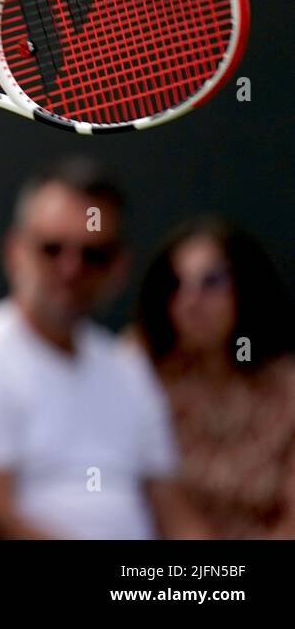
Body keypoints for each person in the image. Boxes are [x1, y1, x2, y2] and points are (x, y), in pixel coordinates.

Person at [0, 157, 203, 539]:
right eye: (52, 249)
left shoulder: (126, 366)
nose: (71, 270)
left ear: (119, 266)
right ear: (14, 252)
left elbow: (173, 507)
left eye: (93, 254)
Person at [134, 215, 295, 538]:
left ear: (246, 287)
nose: (192, 302)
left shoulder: (285, 387)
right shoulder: (140, 378)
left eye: (211, 283)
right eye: (176, 285)